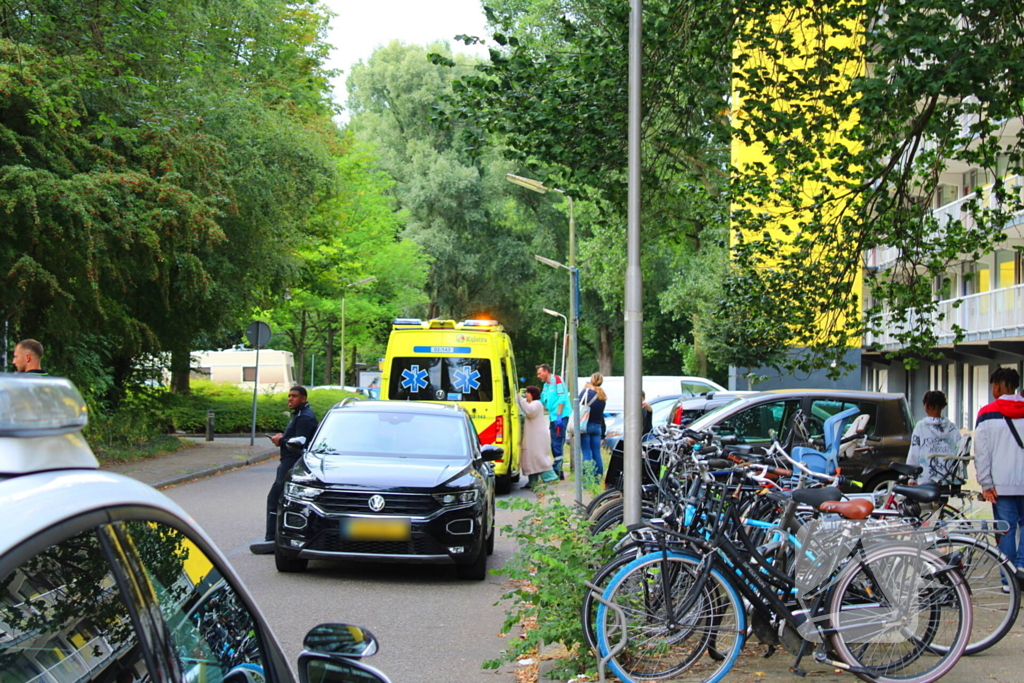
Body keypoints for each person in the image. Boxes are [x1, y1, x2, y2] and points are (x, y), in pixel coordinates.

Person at [250, 386, 318, 554]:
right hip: (288, 461)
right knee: (278, 498)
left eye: (294, 396)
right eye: (289, 395)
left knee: (275, 498)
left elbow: (301, 442)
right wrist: (284, 438)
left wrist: (281, 441)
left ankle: (272, 540)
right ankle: (275, 537)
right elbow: (295, 438)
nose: (290, 399)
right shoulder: (299, 415)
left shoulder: (305, 417)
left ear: (303, 398)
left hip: (292, 462)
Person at [975, 367, 1024, 580]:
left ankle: (1008, 578)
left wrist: (985, 483)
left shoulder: (986, 413)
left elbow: (981, 453)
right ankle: (1022, 567)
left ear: (996, 386)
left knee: (1006, 529)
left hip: (1000, 485)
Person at [906, 390, 960, 484]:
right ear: (943, 406)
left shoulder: (920, 427)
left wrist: (912, 478)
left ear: (926, 406)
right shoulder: (952, 428)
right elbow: (959, 451)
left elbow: (914, 454)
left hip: (925, 479)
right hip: (947, 478)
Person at [515, 386, 559, 488]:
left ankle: (550, 477)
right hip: (534, 437)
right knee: (531, 457)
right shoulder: (534, 404)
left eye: (528, 392)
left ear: (532, 394)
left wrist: (521, 400)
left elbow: (529, 411)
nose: (526, 395)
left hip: (537, 437)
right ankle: (533, 481)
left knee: (538, 456)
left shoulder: (537, 404)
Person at [536, 363, 571, 479]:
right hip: (553, 417)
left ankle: (557, 470)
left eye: (540, 373)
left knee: (557, 443)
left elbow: (562, 398)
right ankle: (557, 470)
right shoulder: (546, 386)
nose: (538, 376)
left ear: (546, 371)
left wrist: (559, 415)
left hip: (560, 416)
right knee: (554, 443)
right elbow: (542, 401)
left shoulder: (557, 380)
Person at [578, 373, 608, 480]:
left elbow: (577, 406)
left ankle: (588, 480)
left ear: (591, 380)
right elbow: (601, 415)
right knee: (596, 453)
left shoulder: (586, 392)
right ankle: (598, 479)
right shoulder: (602, 395)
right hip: (597, 427)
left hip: (585, 426)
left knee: (586, 453)